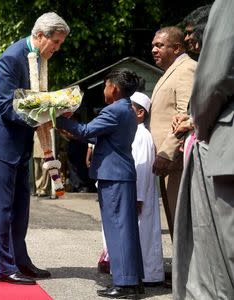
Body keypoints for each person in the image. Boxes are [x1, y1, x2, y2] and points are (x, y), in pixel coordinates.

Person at [0, 12, 69, 285]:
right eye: (55, 41)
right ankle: (4, 267)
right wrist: (45, 115)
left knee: (21, 209)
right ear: (39, 35)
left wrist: (56, 107)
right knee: (2, 210)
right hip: (2, 143)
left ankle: (20, 261)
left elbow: (34, 100)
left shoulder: (39, 58)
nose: (57, 48)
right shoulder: (11, 57)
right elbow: (6, 107)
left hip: (20, 143)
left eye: (60, 43)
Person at [56, 68, 144, 298]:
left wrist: (57, 118)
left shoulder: (114, 110)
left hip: (114, 176)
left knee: (118, 229)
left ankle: (125, 284)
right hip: (120, 174)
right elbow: (98, 135)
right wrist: (74, 130)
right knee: (125, 229)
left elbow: (86, 130)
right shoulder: (125, 109)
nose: (104, 90)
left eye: (105, 85)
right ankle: (132, 280)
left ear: (113, 88)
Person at [173, 1, 234, 298]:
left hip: (223, 147)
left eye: (190, 33)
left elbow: (214, 80)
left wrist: (199, 124)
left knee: (216, 254)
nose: (187, 39)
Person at [149, 26, 196, 239]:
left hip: (176, 161)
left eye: (159, 45)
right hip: (168, 163)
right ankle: (181, 269)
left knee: (182, 220)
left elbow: (184, 115)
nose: (154, 50)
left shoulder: (186, 70)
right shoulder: (170, 71)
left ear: (176, 48)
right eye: (153, 46)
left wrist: (166, 153)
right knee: (174, 220)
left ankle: (187, 272)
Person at [130, 92, 164, 286]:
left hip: (140, 195)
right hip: (137, 193)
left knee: (145, 235)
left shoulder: (142, 135)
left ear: (140, 113)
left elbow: (142, 167)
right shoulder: (135, 133)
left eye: (129, 109)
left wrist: (138, 198)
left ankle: (149, 275)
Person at [32, 132, 49, 197]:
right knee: (37, 170)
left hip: (45, 142)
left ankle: (43, 189)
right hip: (36, 143)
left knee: (44, 168)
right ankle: (38, 188)